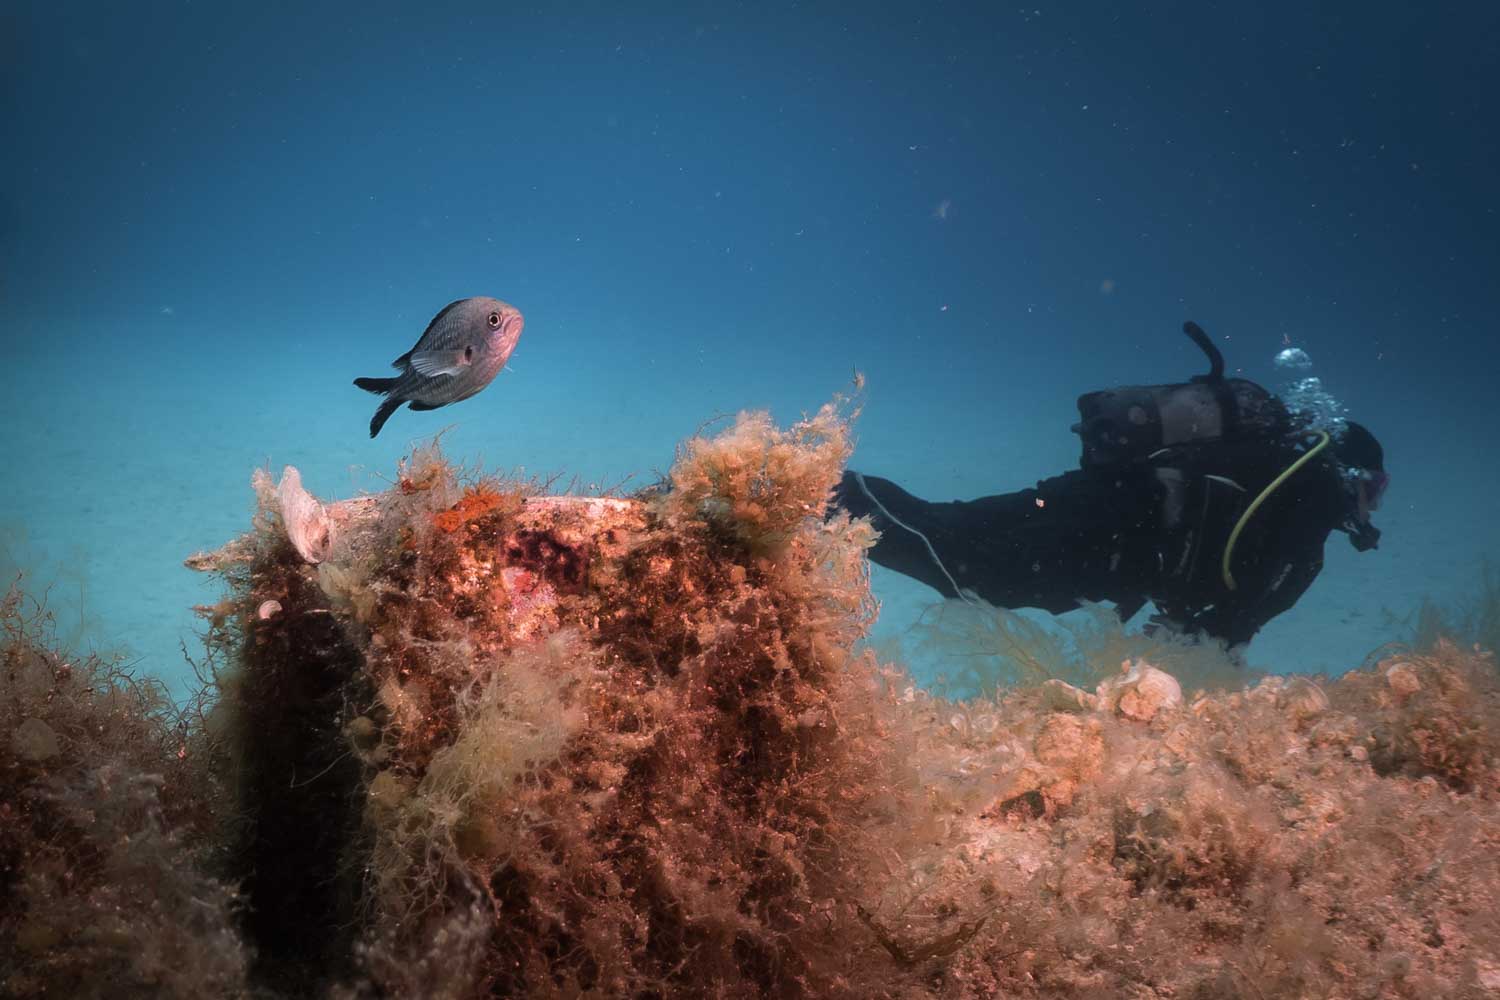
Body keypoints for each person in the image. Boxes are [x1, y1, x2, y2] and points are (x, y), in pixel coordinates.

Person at [834, 322, 1388, 653]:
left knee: (947, 528)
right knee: (961, 565)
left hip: (1099, 498)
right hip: (1110, 539)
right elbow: (1226, 628)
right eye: (1375, 488)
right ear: (1354, 476)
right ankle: (812, 494)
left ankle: (815, 487)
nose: (1373, 504)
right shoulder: (1305, 525)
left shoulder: (1276, 476)